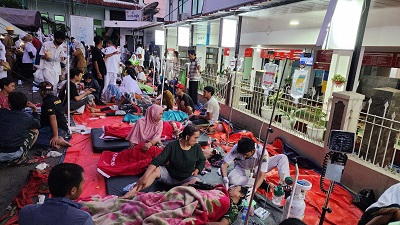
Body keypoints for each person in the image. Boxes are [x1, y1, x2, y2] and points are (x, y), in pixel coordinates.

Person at [122, 124, 206, 198]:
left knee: (196, 182)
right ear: (187, 137)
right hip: (170, 176)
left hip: (186, 179)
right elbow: (157, 161)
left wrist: (197, 169)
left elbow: (202, 160)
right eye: (195, 138)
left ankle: (172, 192)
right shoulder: (172, 146)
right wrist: (144, 177)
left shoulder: (197, 147)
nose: (196, 140)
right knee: (155, 170)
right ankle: (131, 192)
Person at [19, 163, 94, 225]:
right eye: (82, 183)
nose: (83, 185)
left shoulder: (26, 212)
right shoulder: (83, 219)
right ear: (73, 191)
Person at [220, 137, 290, 192]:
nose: (244, 156)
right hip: (242, 167)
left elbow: (262, 175)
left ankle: (285, 185)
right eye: (242, 154)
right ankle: (259, 183)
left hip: (258, 168)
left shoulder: (262, 152)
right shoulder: (236, 148)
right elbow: (224, 165)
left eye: (246, 154)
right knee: (232, 179)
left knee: (282, 157)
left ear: (253, 151)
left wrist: (254, 189)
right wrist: (225, 178)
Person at [0, 92, 40, 164]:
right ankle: (19, 158)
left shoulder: (2, 112)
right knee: (35, 130)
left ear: (9, 104)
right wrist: (34, 109)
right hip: (13, 153)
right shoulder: (27, 117)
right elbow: (37, 125)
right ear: (25, 105)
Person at [35, 82, 72, 149]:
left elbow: (53, 117)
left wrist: (55, 135)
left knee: (30, 139)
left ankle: (56, 141)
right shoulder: (56, 99)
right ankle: (56, 139)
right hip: (63, 129)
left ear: (42, 92)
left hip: (56, 130)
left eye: (40, 89)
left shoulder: (48, 102)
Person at [39, 31, 67, 95]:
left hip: (56, 69)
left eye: (62, 40)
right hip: (47, 68)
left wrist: (63, 58)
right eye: (60, 40)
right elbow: (41, 56)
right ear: (55, 38)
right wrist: (47, 56)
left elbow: (63, 55)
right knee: (49, 84)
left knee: (55, 85)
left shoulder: (61, 47)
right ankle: (48, 96)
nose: (61, 42)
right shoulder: (46, 45)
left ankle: (53, 98)